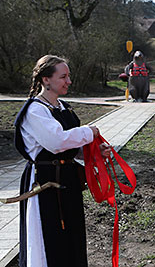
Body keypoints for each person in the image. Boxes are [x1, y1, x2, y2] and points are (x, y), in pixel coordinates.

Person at [15, 55, 111, 267]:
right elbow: (56, 142)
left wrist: (94, 152)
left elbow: (68, 149)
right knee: (48, 240)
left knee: (72, 238)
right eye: (63, 77)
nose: (69, 81)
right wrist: (89, 132)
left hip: (67, 182)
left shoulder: (62, 108)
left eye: (68, 76)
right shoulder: (35, 110)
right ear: (46, 80)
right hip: (45, 184)